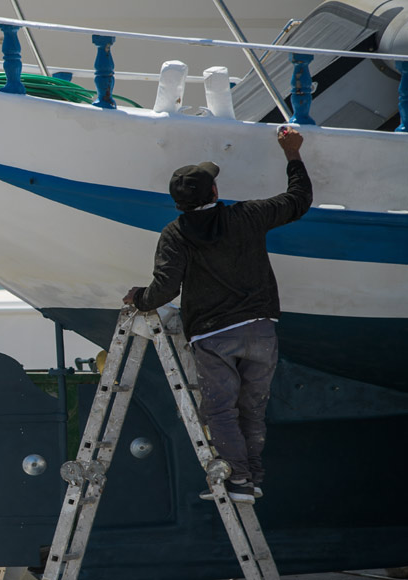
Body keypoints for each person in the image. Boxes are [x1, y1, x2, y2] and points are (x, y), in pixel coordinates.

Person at [123, 126, 311, 504]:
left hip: (213, 336)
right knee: (252, 409)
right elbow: (299, 200)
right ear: (214, 193)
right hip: (260, 329)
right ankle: (251, 478)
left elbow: (165, 289)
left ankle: (238, 479)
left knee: (221, 410)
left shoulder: (175, 235)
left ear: (178, 203)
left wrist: (138, 298)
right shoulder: (247, 216)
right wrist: (292, 153)